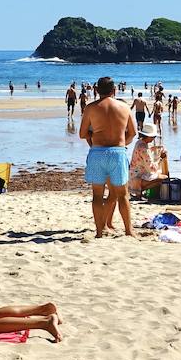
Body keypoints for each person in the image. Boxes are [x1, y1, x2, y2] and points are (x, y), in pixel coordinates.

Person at [79, 76, 136, 239]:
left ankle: (99, 232)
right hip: (117, 152)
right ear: (114, 90)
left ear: (96, 91)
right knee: (122, 194)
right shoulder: (124, 107)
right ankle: (128, 230)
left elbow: (82, 134)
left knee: (97, 195)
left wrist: (95, 133)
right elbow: (132, 133)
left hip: (97, 153)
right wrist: (122, 142)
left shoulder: (91, 108)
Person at [128, 124, 167, 197]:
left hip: (133, 176)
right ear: (148, 136)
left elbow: (148, 152)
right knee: (164, 178)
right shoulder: (143, 148)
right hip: (137, 179)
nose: (154, 138)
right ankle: (139, 190)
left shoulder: (139, 142)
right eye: (153, 137)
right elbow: (151, 169)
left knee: (159, 175)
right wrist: (160, 158)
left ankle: (138, 191)